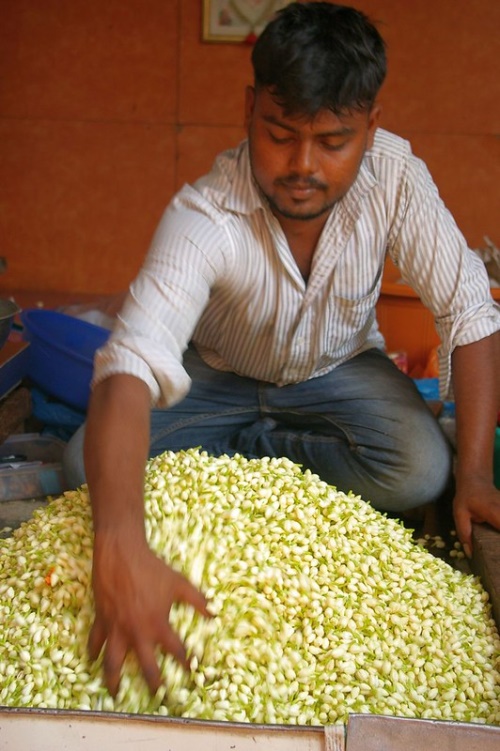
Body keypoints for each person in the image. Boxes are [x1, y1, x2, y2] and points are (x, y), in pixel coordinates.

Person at [65, 1, 500, 696]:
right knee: (80, 463)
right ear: (249, 109)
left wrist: (474, 473)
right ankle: (248, 450)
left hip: (341, 370)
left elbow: (469, 310)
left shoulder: (396, 178)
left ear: (370, 128)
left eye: (334, 141)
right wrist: (118, 546)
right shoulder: (205, 212)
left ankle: (258, 455)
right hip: (218, 374)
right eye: (279, 133)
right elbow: (129, 364)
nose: (303, 165)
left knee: (426, 470)